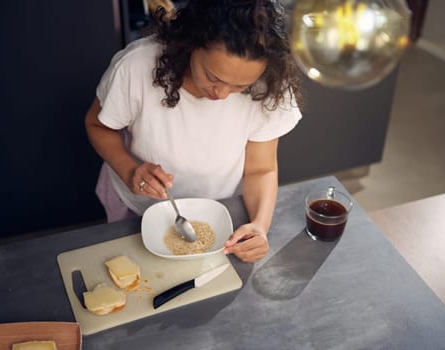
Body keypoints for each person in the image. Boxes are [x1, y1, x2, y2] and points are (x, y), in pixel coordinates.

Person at [85, 0, 303, 262]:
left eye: (240, 86)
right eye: (213, 77)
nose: (222, 95)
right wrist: (129, 170)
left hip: (220, 209)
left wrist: (259, 225)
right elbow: (97, 125)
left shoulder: (268, 86)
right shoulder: (137, 67)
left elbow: (261, 169)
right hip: (136, 206)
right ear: (190, 43)